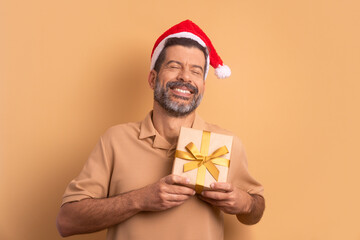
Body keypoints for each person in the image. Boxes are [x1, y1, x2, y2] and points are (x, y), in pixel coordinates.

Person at [56, 20, 265, 240]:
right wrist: (139, 200)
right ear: (153, 78)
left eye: (196, 71)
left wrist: (244, 202)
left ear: (203, 87)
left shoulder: (225, 143)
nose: (185, 77)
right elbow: (67, 221)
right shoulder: (114, 141)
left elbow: (255, 210)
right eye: (174, 66)